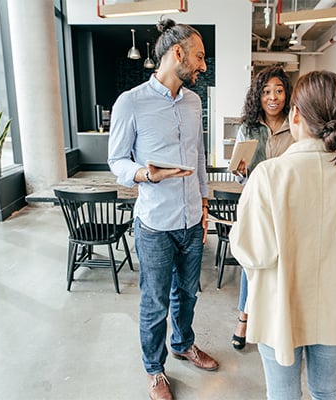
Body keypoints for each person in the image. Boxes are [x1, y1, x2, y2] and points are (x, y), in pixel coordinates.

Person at [229, 70, 336, 400]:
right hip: (335, 311)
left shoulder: (269, 175)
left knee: (283, 394)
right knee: (326, 390)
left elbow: (255, 251)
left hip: (280, 307)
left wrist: (236, 230)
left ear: (295, 113)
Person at [108, 18, 218, 400]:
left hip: (190, 220)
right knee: (154, 302)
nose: (203, 66)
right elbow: (117, 160)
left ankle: (183, 343)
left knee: (188, 293)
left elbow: (200, 160)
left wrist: (204, 209)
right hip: (154, 224)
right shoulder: (131, 102)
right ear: (177, 53)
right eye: (199, 57)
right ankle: (154, 370)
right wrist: (144, 174)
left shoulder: (193, 102)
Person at [230, 65, 294, 351]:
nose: (273, 97)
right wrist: (241, 171)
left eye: (279, 91)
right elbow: (242, 173)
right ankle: (244, 317)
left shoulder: (297, 125)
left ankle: (281, 319)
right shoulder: (249, 127)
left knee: (284, 264)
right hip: (256, 205)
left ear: (287, 94)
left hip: (288, 206)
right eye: (267, 91)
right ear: (258, 95)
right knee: (251, 262)